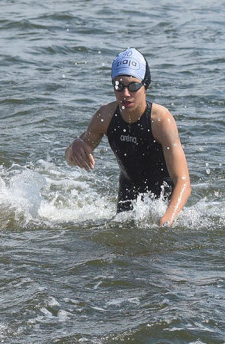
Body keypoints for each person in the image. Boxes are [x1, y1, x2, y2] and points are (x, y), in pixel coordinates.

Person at [64, 47, 190, 226]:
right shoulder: (105, 116)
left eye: (133, 86)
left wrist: (168, 218)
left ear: (145, 85)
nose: (125, 94)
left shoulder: (160, 119)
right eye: (119, 86)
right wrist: (74, 147)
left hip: (164, 201)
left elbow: (183, 181)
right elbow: (71, 158)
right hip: (127, 197)